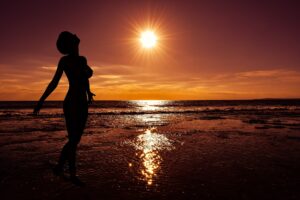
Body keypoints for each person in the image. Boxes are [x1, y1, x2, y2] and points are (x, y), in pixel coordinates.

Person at [33, 31, 95, 186]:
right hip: (71, 102)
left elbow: (84, 79)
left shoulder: (82, 59)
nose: (76, 34)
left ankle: (59, 167)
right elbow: (54, 82)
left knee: (76, 139)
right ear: (71, 43)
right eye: (72, 35)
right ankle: (72, 174)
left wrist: (88, 93)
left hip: (82, 103)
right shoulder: (64, 61)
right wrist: (41, 100)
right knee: (73, 139)